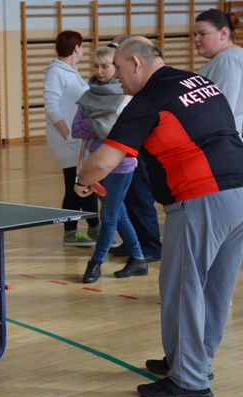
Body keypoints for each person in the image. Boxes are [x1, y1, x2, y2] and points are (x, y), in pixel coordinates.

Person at [76, 37, 243, 397]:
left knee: (184, 288)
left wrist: (82, 180)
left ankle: (189, 380)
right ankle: (192, 362)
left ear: (136, 63)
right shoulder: (198, 81)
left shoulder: (149, 99)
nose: (117, 78)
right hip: (239, 190)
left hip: (201, 196)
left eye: (119, 68)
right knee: (215, 289)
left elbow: (103, 161)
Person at [71, 46, 147, 283]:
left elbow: (116, 132)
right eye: (96, 66)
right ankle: (138, 258)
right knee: (118, 213)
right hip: (94, 164)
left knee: (109, 215)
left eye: (105, 66)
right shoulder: (88, 94)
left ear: (116, 68)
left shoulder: (126, 97)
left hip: (120, 166)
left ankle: (95, 262)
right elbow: (77, 128)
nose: (99, 71)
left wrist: (95, 122)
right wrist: (102, 124)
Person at [106, 35, 163, 263]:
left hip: (138, 151)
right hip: (124, 150)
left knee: (141, 198)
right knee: (127, 199)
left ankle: (151, 246)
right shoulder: (119, 83)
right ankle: (133, 243)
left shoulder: (144, 87)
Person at [43, 30, 101, 246]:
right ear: (76, 48)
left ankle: (92, 228)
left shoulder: (71, 71)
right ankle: (74, 232)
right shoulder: (55, 72)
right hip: (66, 140)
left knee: (86, 182)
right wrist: (68, 134)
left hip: (78, 139)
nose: (83, 49)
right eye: (82, 45)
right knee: (75, 183)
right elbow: (51, 108)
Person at [194, 8, 243, 137]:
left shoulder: (228, 60)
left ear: (223, 33)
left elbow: (223, 112)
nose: (196, 39)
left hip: (220, 142)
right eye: (195, 34)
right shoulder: (230, 57)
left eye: (202, 34)